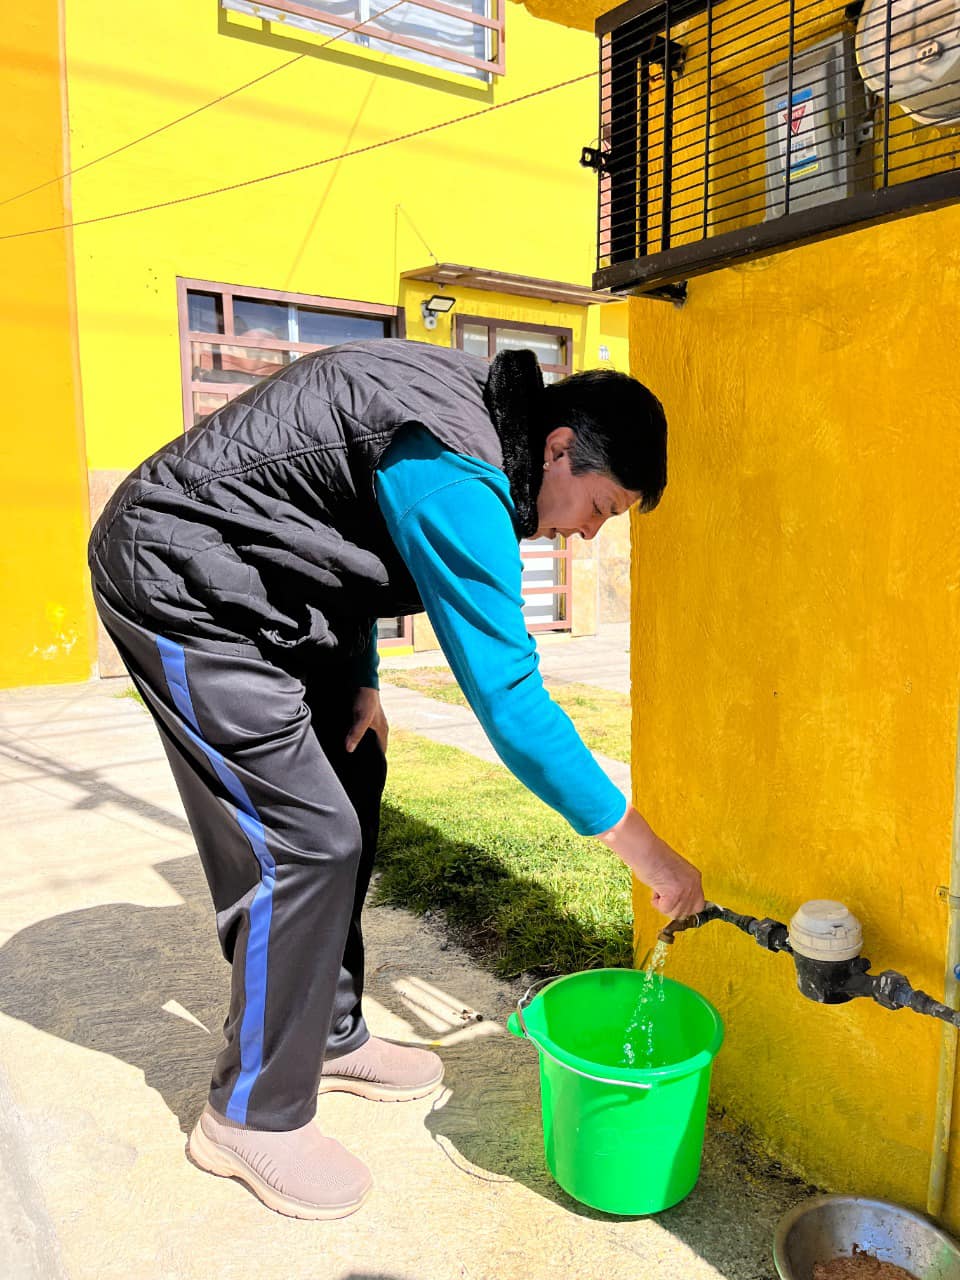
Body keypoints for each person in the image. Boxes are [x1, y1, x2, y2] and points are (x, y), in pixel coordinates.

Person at [88, 338, 705, 1221]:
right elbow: (509, 698)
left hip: (274, 590)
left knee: (352, 773)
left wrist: (362, 677)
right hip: (181, 578)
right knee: (304, 840)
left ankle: (327, 1036)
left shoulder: (476, 428)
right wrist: (649, 856)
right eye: (599, 508)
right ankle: (250, 1114)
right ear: (561, 448)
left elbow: (338, 530)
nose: (583, 534)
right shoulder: (460, 467)